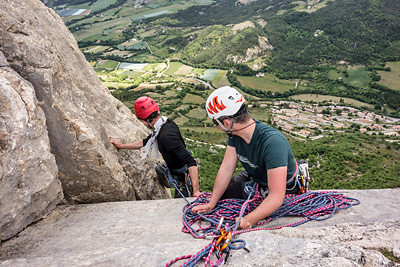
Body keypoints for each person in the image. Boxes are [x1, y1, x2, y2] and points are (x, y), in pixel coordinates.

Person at [192, 86, 301, 229]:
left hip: (282, 186)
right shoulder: (235, 135)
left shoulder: (273, 142)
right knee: (224, 193)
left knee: (231, 193)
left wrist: (248, 220)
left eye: (215, 123)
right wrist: (212, 203)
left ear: (226, 123)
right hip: (257, 175)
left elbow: (276, 196)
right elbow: (226, 168)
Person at [110, 96, 201, 198]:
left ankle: (178, 185)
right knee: (159, 169)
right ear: (157, 110)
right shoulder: (163, 123)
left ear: (145, 121)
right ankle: (171, 183)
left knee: (182, 207)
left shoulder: (166, 136)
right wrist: (120, 146)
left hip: (183, 174)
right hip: (173, 165)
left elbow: (190, 161)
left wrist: (196, 190)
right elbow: (146, 142)